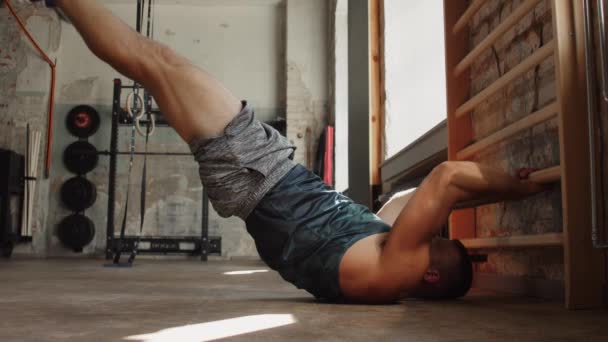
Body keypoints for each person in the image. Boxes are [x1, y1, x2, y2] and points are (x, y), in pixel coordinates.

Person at [20, 0, 544, 303]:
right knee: (152, 67)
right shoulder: (385, 258)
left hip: (259, 172)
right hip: (257, 181)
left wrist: (516, 189)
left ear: (428, 274)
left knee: (153, 59)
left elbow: (448, 176)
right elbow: (412, 199)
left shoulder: (396, 266)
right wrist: (480, 202)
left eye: (435, 243)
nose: (429, 233)